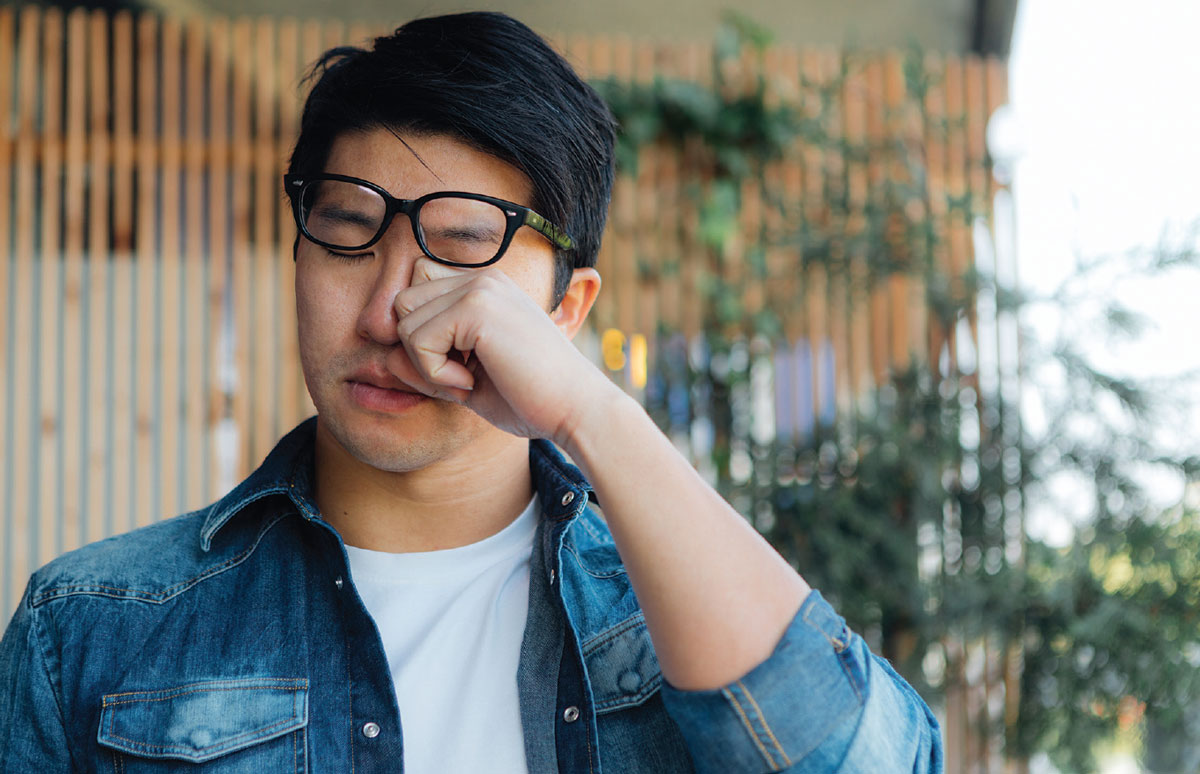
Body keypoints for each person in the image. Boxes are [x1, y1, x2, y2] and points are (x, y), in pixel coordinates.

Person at [0, 11, 941, 773]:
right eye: (347, 228)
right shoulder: (91, 630)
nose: (388, 313)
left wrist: (592, 411)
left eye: (460, 249)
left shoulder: (679, 617)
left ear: (566, 308)